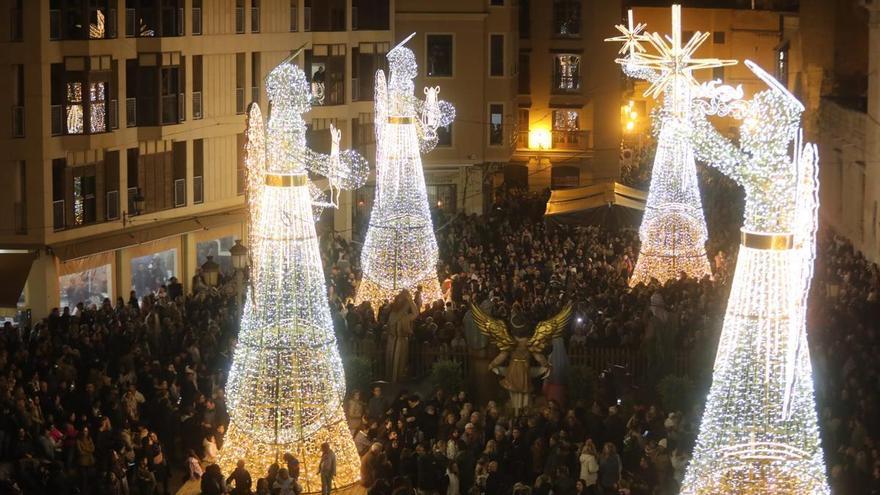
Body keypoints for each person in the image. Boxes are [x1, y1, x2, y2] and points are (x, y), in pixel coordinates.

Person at [386, 290, 418, 382]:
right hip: (392, 341)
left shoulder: (405, 316)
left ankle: (398, 381)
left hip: (402, 341)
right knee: (391, 363)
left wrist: (410, 301)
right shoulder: (393, 314)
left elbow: (415, 314)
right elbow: (392, 323)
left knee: (400, 363)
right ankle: (391, 381)